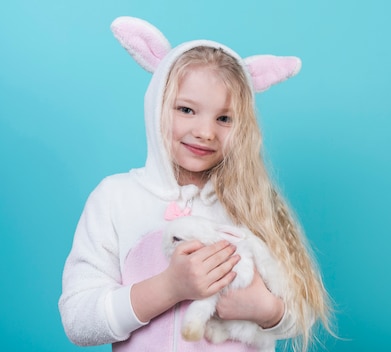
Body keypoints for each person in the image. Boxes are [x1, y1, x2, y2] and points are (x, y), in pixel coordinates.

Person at [59, 16, 332, 352]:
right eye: (186, 109)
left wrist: (266, 308)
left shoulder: (253, 203)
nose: (206, 132)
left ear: (243, 126)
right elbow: (78, 321)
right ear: (157, 106)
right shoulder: (116, 198)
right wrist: (169, 287)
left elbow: (301, 315)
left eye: (224, 118)